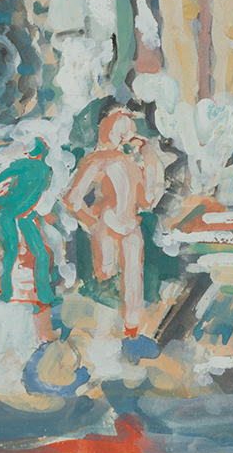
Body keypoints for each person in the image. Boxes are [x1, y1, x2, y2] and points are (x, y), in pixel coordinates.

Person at [63, 109, 165, 331]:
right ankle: (121, 329)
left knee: (124, 282)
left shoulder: (124, 164)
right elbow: (72, 200)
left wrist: (149, 160)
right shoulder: (101, 162)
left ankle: (127, 329)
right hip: (114, 227)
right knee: (111, 279)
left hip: (123, 227)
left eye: (126, 131)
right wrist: (93, 222)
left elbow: (147, 200)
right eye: (121, 130)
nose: (125, 136)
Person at [0, 138, 59, 305]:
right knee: (36, 254)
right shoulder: (43, 170)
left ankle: (11, 295)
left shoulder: (36, 167)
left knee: (16, 253)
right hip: (18, 215)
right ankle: (39, 296)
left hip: (17, 215)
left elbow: (5, 177)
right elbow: (6, 179)